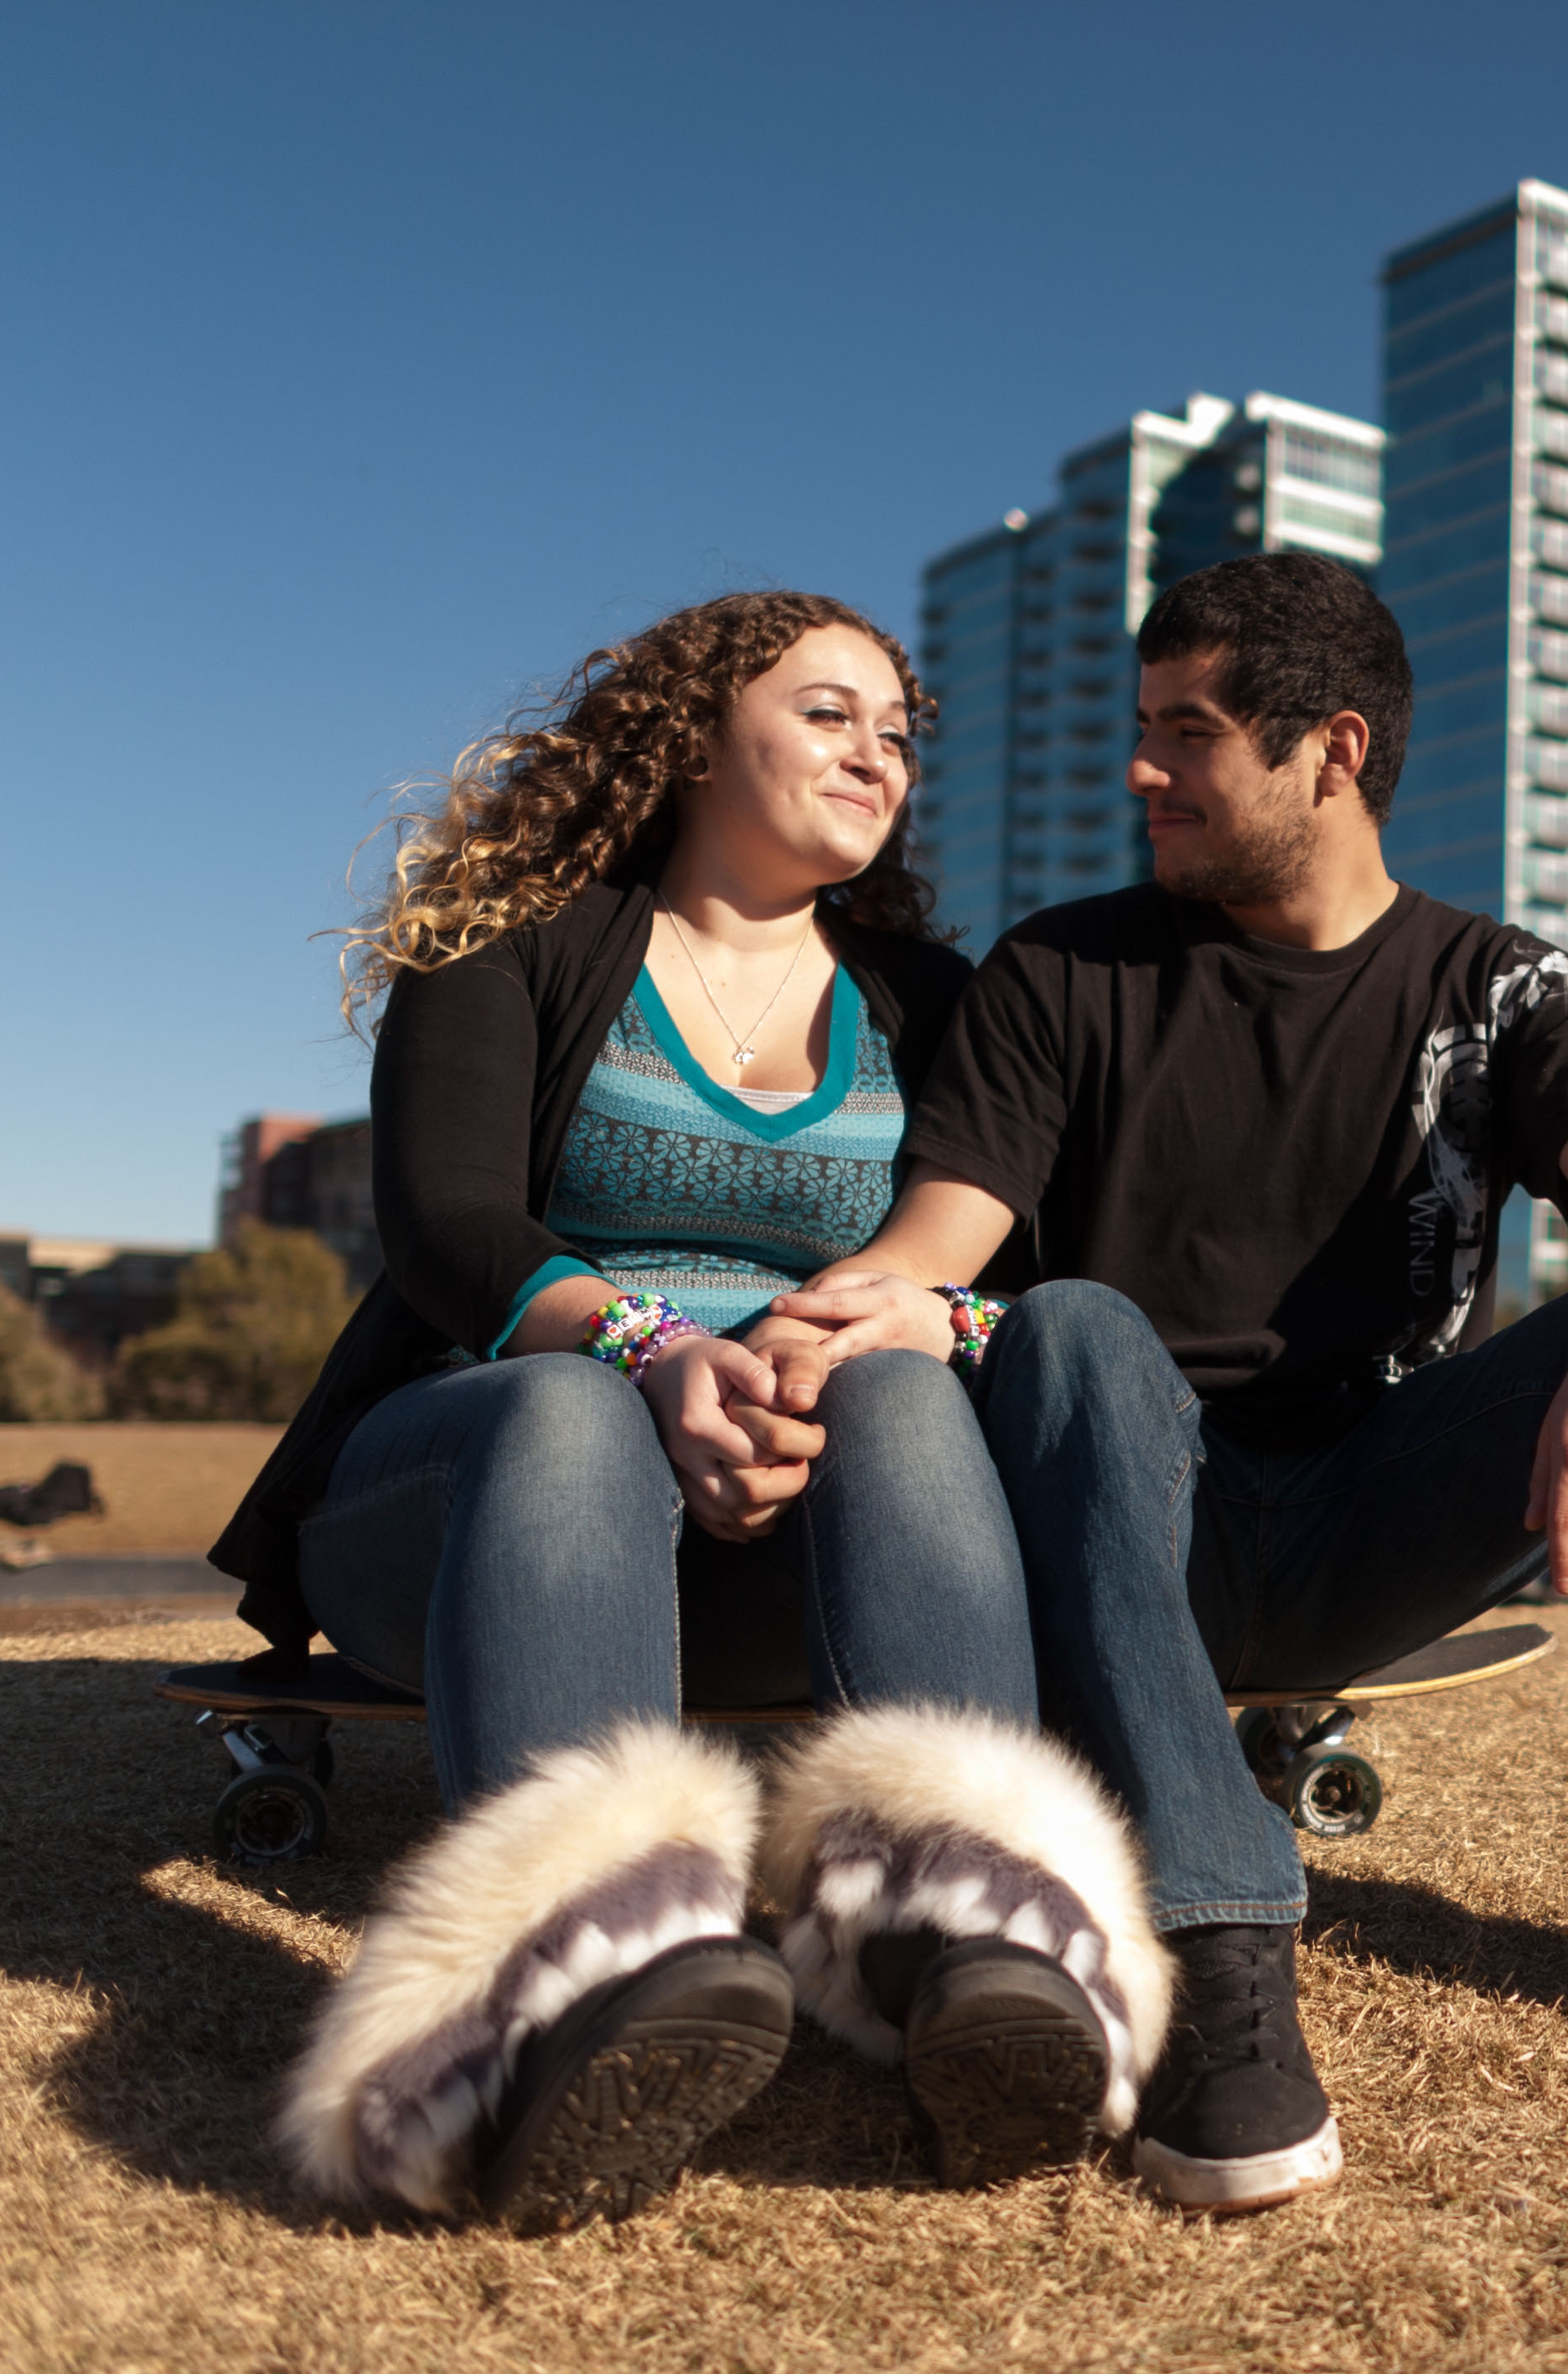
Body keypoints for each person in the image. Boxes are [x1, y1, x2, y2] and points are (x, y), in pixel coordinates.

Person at [746, 552, 1568, 2217]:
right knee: (1069, 1324)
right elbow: (946, 1226)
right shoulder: (1063, 972)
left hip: (1368, 1525)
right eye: (1142, 728)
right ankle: (1210, 1945)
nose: (1142, 769)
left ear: (1330, 751)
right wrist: (866, 1306)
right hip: (1132, 1534)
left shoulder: (1499, 988)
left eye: (1187, 733)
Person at [218, 595, 1169, 2233]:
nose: (877, 752)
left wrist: (885, 1332)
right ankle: (559, 1986)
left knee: (897, 1378)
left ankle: (963, 1924)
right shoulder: (515, 935)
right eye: (826, 713)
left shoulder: (935, 1003)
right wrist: (654, 1350)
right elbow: (448, 1228)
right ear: (692, 737)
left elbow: (1044, 1281)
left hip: (820, 1543)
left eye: (897, 730)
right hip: (495, 1501)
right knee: (569, 1413)